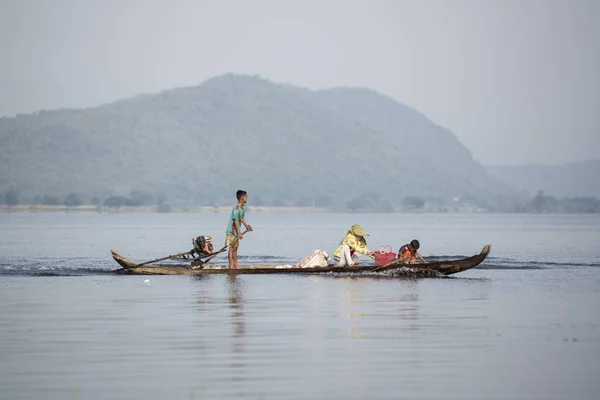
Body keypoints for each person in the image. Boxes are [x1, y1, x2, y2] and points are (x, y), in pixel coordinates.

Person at [225, 190, 253, 269]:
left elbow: (241, 218)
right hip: (231, 231)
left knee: (235, 248)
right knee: (231, 248)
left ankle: (236, 264)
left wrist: (246, 226)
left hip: (236, 232)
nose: (247, 198)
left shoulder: (243, 208)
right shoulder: (236, 208)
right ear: (242, 198)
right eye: (246, 197)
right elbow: (235, 220)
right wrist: (240, 233)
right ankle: (231, 265)